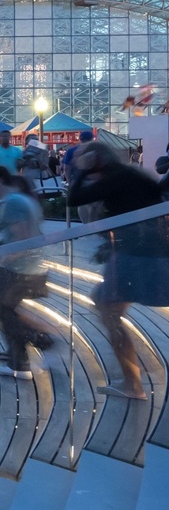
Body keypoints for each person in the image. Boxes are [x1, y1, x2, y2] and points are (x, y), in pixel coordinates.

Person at [67, 141, 169, 399]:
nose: (75, 161)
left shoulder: (117, 176)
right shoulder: (129, 174)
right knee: (106, 307)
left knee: (107, 309)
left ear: (96, 159)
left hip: (134, 255)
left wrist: (82, 172)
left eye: (81, 156)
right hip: (142, 251)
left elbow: (74, 198)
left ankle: (133, 384)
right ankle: (132, 379)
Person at [0, 165, 48, 381]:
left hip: (20, 268)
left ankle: (37, 347)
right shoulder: (16, 200)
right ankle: (20, 360)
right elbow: (13, 233)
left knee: (3, 310)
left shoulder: (13, 202)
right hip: (25, 266)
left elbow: (24, 238)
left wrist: (4, 257)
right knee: (4, 310)